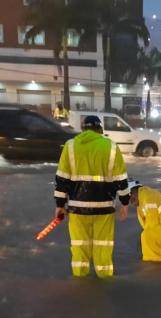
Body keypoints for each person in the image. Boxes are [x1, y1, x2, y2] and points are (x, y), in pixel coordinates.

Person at [54, 115, 130, 278]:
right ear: (99, 129)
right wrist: (125, 203)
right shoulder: (110, 146)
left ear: (83, 129)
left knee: (79, 246)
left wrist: (59, 205)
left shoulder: (70, 146)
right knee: (103, 245)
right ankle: (104, 281)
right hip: (104, 208)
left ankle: (80, 283)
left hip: (77, 208)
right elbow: (121, 179)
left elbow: (62, 179)